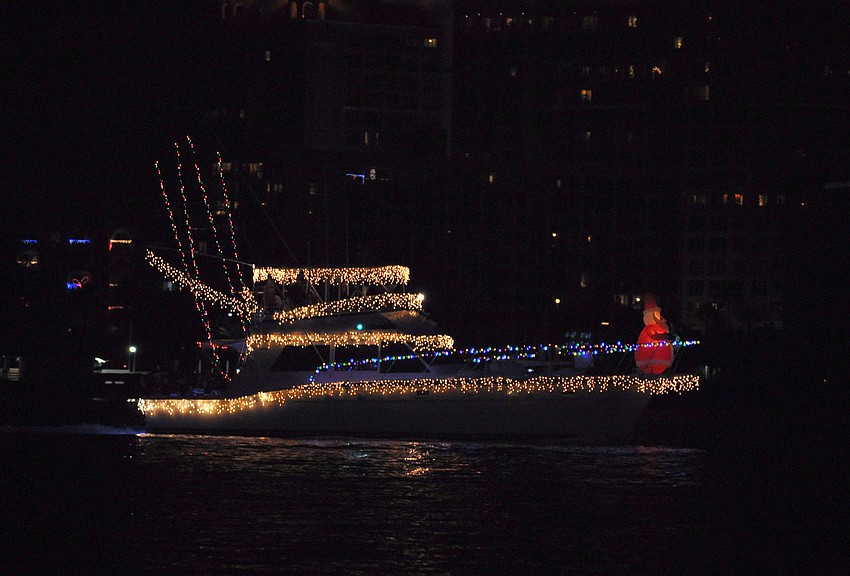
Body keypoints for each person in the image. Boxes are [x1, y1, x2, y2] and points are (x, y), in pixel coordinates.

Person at [634, 293, 674, 374]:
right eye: (656, 314)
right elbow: (654, 335)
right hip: (649, 355)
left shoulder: (661, 326)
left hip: (661, 357)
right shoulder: (649, 328)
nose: (658, 316)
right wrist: (665, 336)